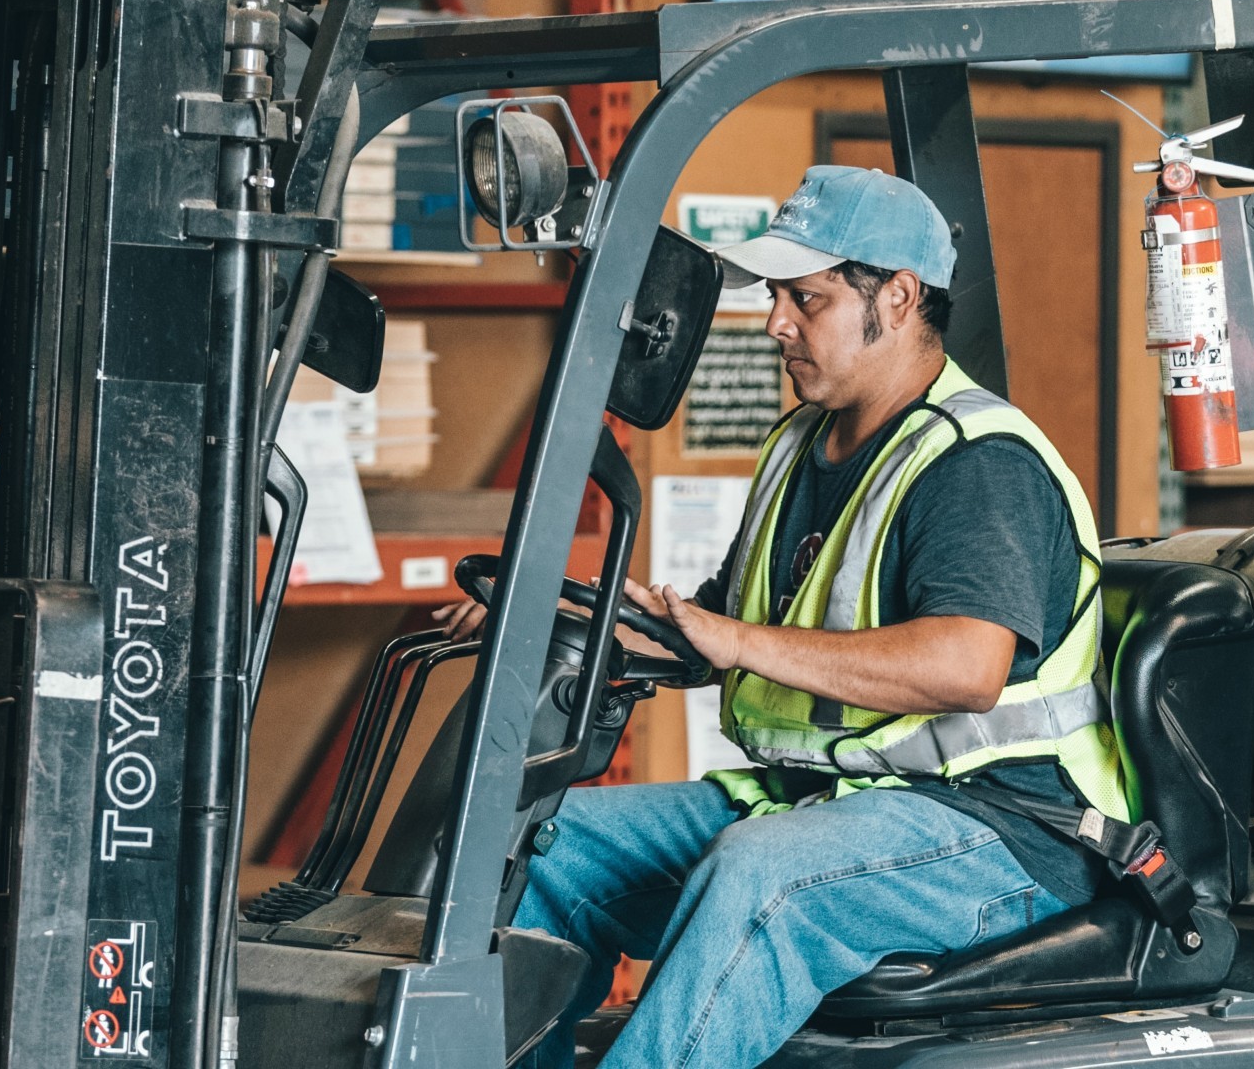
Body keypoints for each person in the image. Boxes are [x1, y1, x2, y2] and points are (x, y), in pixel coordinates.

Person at [433, 166, 1136, 1069]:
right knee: (551, 844)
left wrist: (737, 642)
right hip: (834, 800)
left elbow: (967, 665)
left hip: (1002, 833)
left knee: (763, 875)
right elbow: (718, 630)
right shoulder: (803, 444)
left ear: (899, 296)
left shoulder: (974, 462)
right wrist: (561, 625)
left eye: (807, 300)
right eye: (776, 298)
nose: (776, 324)